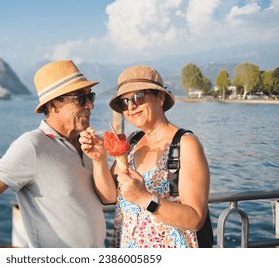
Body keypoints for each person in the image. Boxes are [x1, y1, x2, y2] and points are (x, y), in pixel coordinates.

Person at [0, 60, 111, 248]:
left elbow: (106, 198)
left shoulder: (90, 143)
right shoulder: (31, 146)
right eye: (80, 99)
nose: (90, 105)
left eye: (91, 97)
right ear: (53, 106)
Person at [79, 65, 210, 248]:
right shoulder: (132, 143)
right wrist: (99, 159)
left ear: (160, 97)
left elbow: (195, 218)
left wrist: (144, 198)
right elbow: (108, 197)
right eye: (124, 103)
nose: (131, 106)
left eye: (138, 98)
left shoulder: (185, 145)